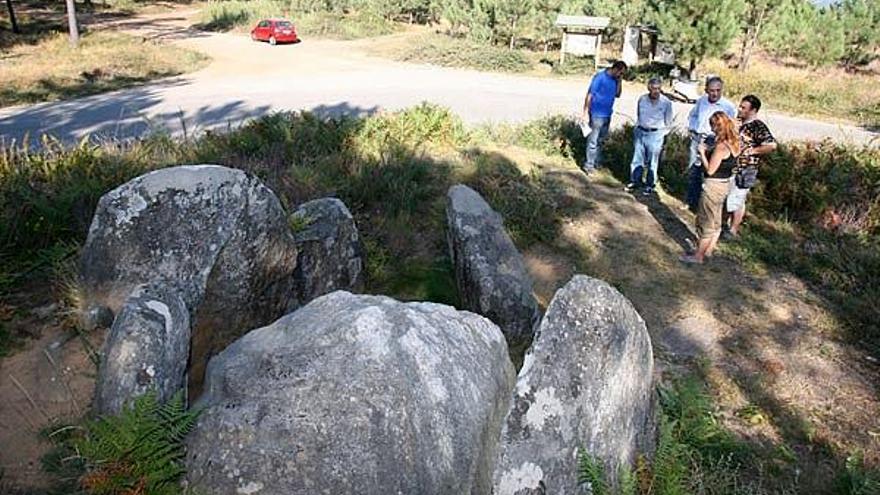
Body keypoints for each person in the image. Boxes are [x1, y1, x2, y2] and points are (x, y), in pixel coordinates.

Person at [680, 111, 740, 264]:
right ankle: (709, 250)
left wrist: (702, 153)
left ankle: (698, 256)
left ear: (717, 127)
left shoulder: (721, 147)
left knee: (705, 221)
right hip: (725, 184)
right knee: (716, 220)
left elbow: (711, 170)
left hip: (713, 185)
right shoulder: (734, 143)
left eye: (712, 127)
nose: (711, 130)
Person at [724, 94, 777, 238]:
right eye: (740, 106)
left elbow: (771, 145)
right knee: (729, 197)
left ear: (753, 111)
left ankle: (733, 230)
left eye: (743, 108)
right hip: (732, 166)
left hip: (746, 168)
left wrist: (752, 151)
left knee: (738, 198)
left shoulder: (757, 126)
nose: (740, 110)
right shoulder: (738, 122)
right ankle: (725, 224)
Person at [685, 77, 736, 211]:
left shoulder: (728, 106)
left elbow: (731, 126)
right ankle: (691, 201)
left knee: (709, 173)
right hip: (698, 138)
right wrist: (692, 128)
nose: (714, 94)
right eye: (712, 91)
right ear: (706, 90)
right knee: (693, 171)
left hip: (715, 140)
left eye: (718, 90)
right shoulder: (702, 101)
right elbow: (693, 115)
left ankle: (705, 204)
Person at [626, 77, 674, 195]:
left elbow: (669, 121)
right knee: (637, 158)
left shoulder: (666, 102)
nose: (656, 91)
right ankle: (635, 181)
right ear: (649, 88)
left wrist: (663, 134)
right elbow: (639, 115)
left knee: (652, 161)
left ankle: (650, 184)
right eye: (653, 89)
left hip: (656, 134)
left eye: (658, 89)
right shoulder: (642, 99)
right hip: (641, 132)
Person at [581, 60, 627, 174]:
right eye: (620, 73)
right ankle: (589, 165)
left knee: (601, 140)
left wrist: (619, 81)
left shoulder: (615, 80)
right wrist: (585, 111)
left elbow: (618, 94)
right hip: (596, 113)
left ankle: (597, 162)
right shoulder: (600, 77)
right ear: (615, 69)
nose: (621, 76)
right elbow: (590, 94)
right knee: (593, 140)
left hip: (607, 114)